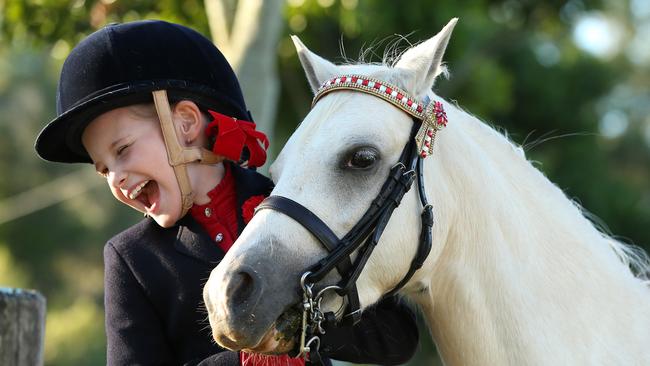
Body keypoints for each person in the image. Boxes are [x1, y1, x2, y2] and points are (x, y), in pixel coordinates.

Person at [34, 20, 419, 366]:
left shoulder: (291, 210)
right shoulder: (132, 261)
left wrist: (295, 331)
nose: (115, 177)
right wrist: (245, 359)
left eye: (122, 151)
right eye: (103, 169)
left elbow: (397, 338)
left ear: (184, 123)